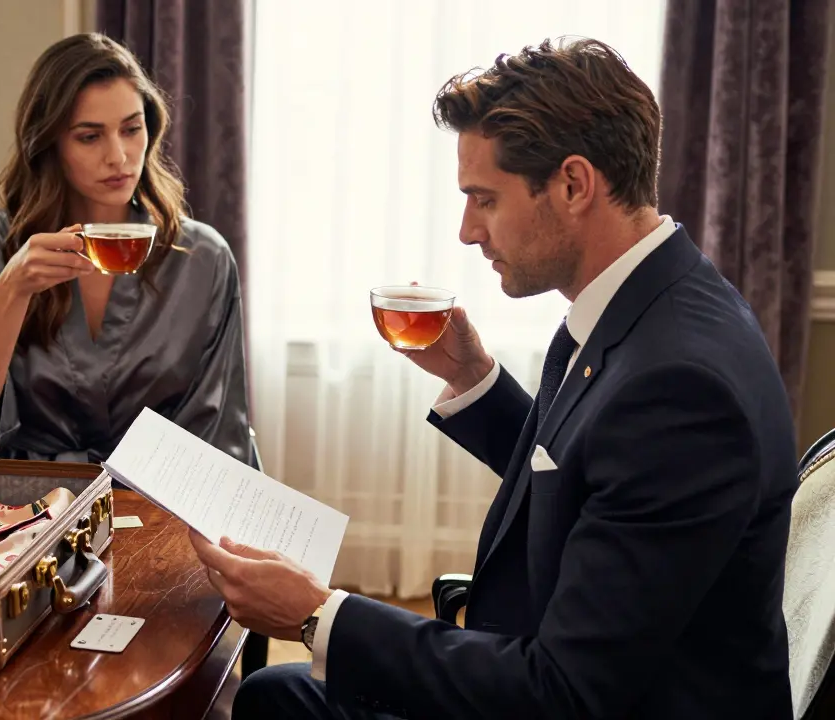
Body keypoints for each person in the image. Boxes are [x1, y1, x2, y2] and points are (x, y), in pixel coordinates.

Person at [192, 38, 797, 719]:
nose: (466, 230)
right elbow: (589, 469)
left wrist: (317, 615)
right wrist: (474, 376)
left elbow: (563, 694)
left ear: (573, 184)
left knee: (281, 700)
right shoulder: (648, 299)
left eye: (484, 199)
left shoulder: (682, 390)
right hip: (559, 670)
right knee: (280, 692)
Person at [0, 33, 251, 466]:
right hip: (28, 511)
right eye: (90, 137)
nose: (120, 157)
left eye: (132, 129)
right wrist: (12, 289)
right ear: (50, 143)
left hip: (158, 510)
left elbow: (220, 439)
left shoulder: (202, 259)